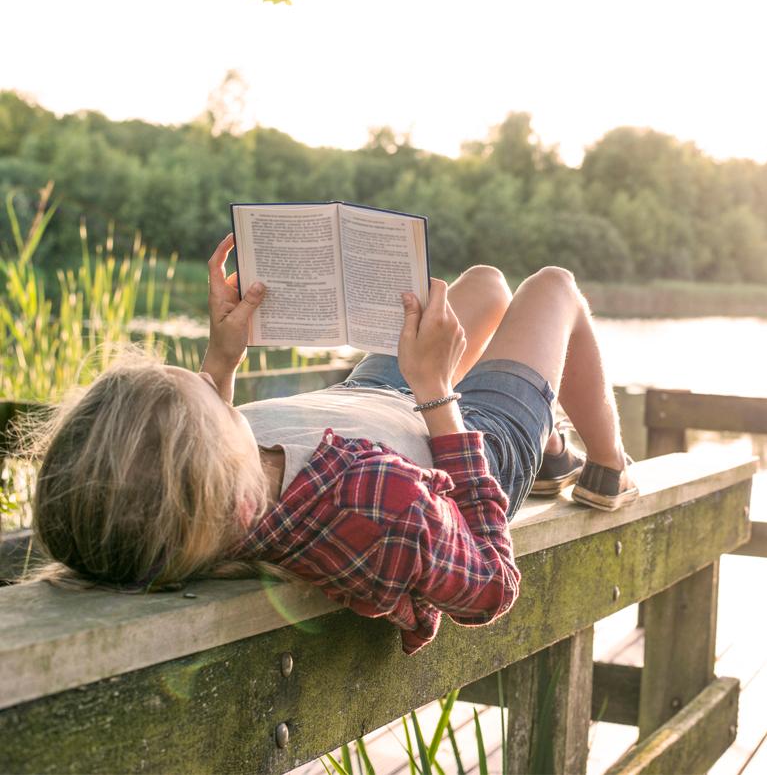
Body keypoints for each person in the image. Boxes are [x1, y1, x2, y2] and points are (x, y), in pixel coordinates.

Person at [32, 234, 637, 654]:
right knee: (553, 287)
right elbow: (491, 585)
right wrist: (432, 389)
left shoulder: (212, 497)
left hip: (366, 401)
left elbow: (202, 459)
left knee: (479, 286)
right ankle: (605, 465)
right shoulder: (373, 505)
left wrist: (223, 357)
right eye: (199, 394)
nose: (197, 379)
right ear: (229, 478)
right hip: (459, 433)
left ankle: (552, 438)